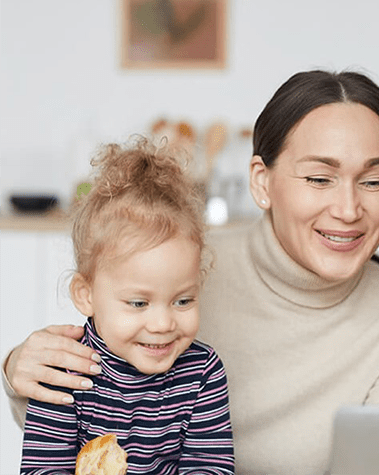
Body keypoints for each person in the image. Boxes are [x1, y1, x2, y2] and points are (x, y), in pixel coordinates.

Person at [4, 70, 379, 474]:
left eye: (374, 181)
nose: (349, 210)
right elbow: (74, 415)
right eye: (318, 178)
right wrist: (16, 368)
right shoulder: (179, 266)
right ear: (261, 181)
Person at [19, 139, 234, 473]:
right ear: (85, 294)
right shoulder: (63, 374)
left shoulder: (202, 373)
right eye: (138, 303)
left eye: (183, 300)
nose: (163, 323)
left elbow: (211, 467)